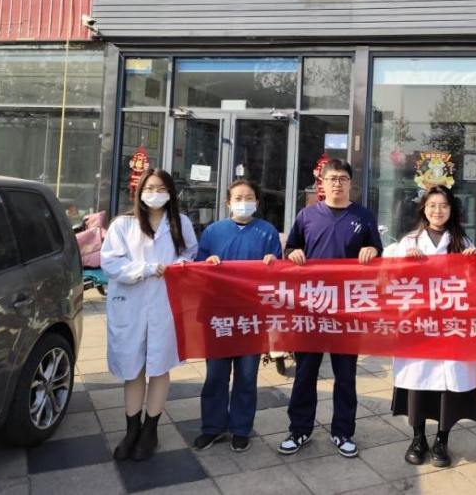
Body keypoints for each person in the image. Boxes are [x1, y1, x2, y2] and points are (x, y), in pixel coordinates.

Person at [279, 159, 383, 459]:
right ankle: (299, 429)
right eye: (332, 178)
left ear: (350, 183)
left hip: (348, 309)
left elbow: (377, 251)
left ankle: (343, 431)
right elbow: (291, 248)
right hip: (312, 307)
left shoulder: (363, 216)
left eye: (343, 178)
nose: (337, 183)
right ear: (321, 183)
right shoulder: (307, 215)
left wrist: (373, 250)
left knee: (346, 375)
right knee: (305, 373)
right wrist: (293, 253)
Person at [101, 168, 198, 462]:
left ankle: (150, 430)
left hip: (165, 304)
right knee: (133, 369)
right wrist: (146, 269)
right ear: (139, 191)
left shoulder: (181, 223)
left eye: (161, 189)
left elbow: (190, 253)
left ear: (171, 193)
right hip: (130, 304)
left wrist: (181, 264)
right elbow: (110, 263)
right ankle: (131, 430)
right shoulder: (123, 224)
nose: (155, 194)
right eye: (150, 188)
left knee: (159, 365)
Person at [389, 185, 476, 468]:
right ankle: (418, 438)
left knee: (446, 388)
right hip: (418, 326)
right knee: (417, 384)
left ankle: (442, 439)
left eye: (443, 205)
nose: (437, 211)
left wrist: (474, 263)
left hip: (451, 326)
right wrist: (405, 263)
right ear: (423, 209)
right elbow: (391, 281)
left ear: (451, 209)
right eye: (432, 205)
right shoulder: (408, 242)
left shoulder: (463, 241)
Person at [193, 179, 282, 453]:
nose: (244, 202)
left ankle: (241, 429)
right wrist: (207, 264)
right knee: (216, 375)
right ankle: (212, 427)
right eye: (239, 198)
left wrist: (273, 264)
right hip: (218, 314)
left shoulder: (267, 232)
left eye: (249, 197)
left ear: (257, 202)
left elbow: (278, 273)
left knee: (247, 375)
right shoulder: (213, 231)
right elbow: (197, 268)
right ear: (228, 203)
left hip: (251, 316)